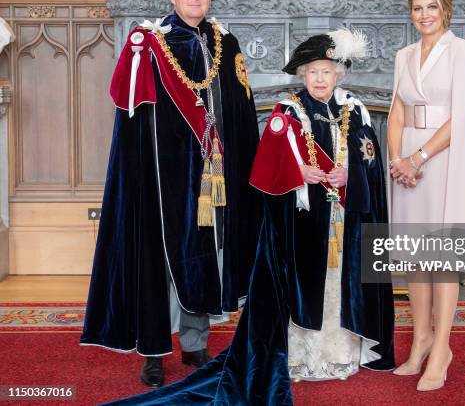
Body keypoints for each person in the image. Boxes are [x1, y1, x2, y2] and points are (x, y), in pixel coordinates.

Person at [108, 29, 395, 405]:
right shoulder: (287, 113)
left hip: (345, 218)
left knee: (339, 287)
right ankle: (304, 354)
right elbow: (265, 171)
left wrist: (351, 173)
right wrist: (299, 174)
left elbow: (370, 158)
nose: (320, 79)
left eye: (327, 71)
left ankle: (339, 352)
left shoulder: (354, 111)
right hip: (301, 223)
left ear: (340, 72)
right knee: (305, 286)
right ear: (302, 75)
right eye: (313, 72)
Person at [80, 0, 261, 389]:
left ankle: (195, 343)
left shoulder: (225, 42)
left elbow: (240, 111)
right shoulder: (151, 42)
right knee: (159, 261)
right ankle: (154, 351)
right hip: (164, 175)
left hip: (211, 173)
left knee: (203, 257)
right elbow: (131, 111)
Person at [386, 0, 465, 391]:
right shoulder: (403, 54)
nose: (424, 15)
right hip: (406, 158)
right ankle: (420, 337)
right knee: (413, 254)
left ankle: (441, 346)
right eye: (417, 7)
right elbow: (396, 112)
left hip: (443, 158)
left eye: (431, 7)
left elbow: (460, 118)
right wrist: (396, 160)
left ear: (446, 10)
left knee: (441, 256)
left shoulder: (463, 51)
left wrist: (419, 158)